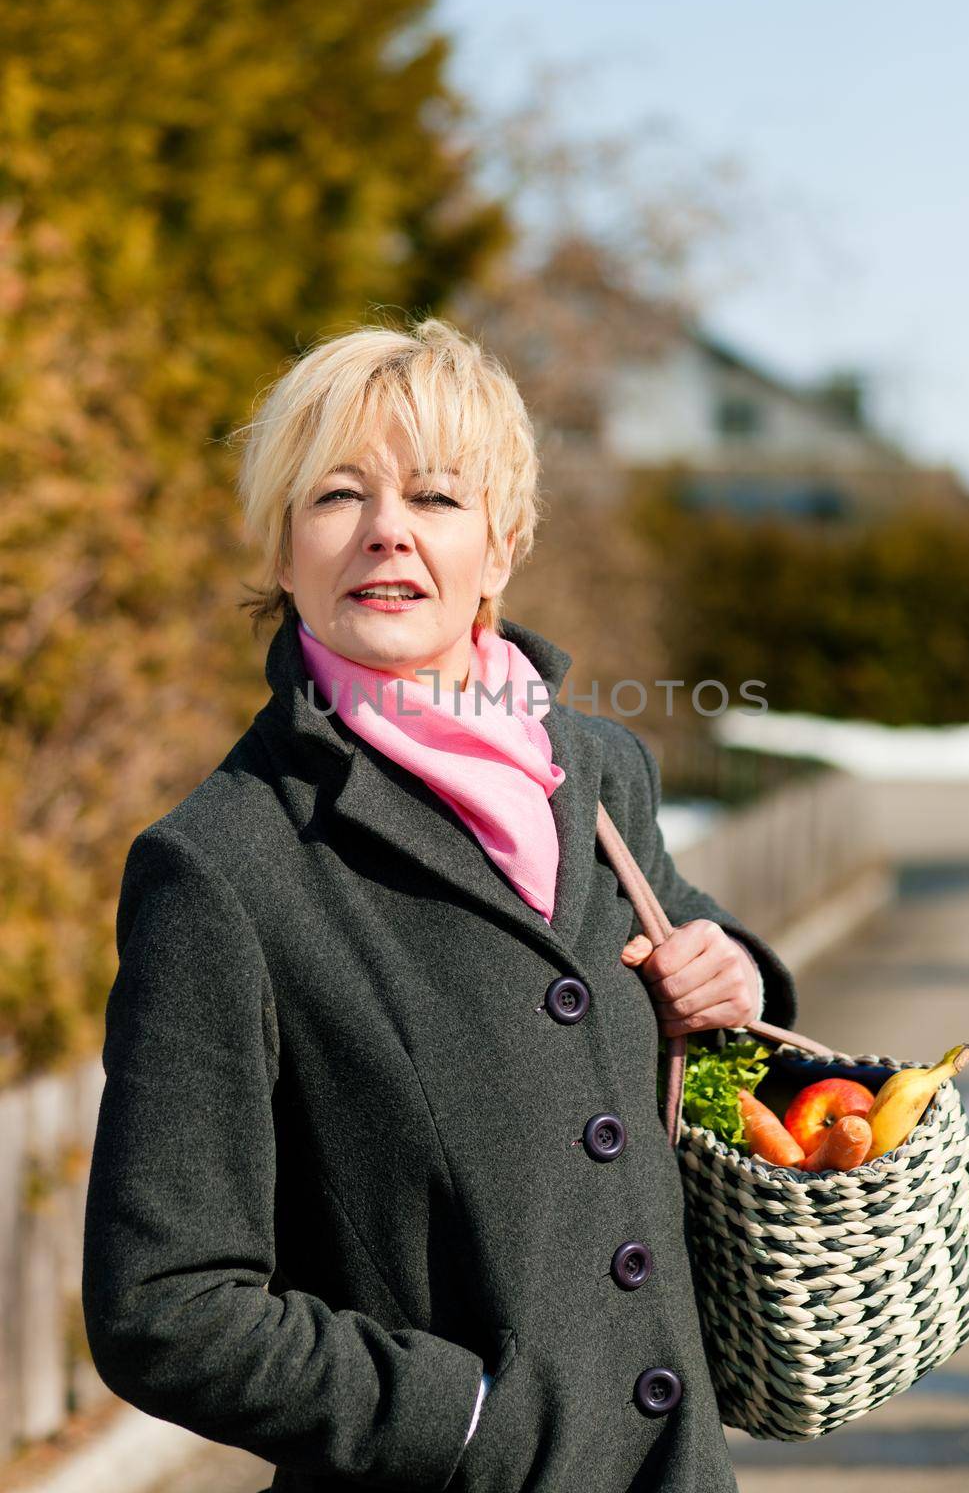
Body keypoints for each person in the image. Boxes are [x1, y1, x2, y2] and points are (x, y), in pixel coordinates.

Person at [81, 316, 798, 1492]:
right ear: (280, 548)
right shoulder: (222, 864)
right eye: (336, 496)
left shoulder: (603, 773)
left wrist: (742, 980)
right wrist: (464, 1423)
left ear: (501, 546)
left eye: (435, 497)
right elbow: (165, 1304)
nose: (385, 533)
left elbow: (693, 1044)